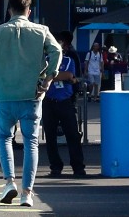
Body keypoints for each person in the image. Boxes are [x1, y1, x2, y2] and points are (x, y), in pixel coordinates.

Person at [0, 0, 61, 208]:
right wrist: (49, 78)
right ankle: (27, 193)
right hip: (32, 94)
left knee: (4, 137)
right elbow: (57, 50)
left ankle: (9, 181)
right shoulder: (42, 30)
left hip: (3, 95)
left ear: (9, 11)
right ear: (29, 11)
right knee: (31, 141)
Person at [41, 33, 86, 178]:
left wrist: (52, 76)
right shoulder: (45, 60)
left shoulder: (68, 60)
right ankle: (55, 166)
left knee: (72, 135)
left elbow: (67, 75)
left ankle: (78, 167)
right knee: (50, 136)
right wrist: (58, 76)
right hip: (48, 101)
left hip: (65, 101)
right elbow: (41, 75)